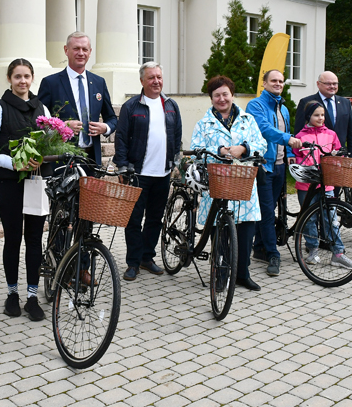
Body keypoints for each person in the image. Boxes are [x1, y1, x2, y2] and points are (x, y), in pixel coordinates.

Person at [0, 58, 49, 320]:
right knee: (12, 239)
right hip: (9, 185)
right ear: (9, 79)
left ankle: (32, 296)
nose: (22, 81)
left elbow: (49, 145)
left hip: (35, 183)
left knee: (34, 239)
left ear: (32, 79)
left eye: (27, 76)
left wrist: (45, 156)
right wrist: (14, 163)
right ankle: (12, 294)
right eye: (17, 76)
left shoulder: (42, 108)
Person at [190, 76, 267, 290]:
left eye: (225, 94)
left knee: (246, 232)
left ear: (232, 94)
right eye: (217, 95)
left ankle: (242, 274)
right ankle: (220, 275)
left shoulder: (247, 120)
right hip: (217, 184)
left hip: (243, 183)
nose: (221, 99)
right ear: (211, 98)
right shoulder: (204, 124)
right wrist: (218, 151)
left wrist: (244, 148)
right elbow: (195, 151)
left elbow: (262, 144)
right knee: (219, 232)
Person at [114, 62, 182, 281]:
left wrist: (175, 162)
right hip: (138, 173)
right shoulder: (131, 106)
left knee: (155, 219)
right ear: (142, 81)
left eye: (159, 77)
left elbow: (177, 136)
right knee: (134, 220)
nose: (156, 81)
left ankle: (147, 257)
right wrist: (123, 166)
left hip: (162, 174)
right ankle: (133, 263)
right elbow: (121, 137)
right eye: (151, 77)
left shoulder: (171, 105)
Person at [246, 70, 302, 277]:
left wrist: (288, 152)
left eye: (281, 81)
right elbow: (263, 129)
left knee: (271, 208)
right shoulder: (256, 105)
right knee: (268, 212)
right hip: (264, 165)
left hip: (279, 166)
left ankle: (260, 248)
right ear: (265, 83)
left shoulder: (284, 109)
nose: (278, 84)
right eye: (274, 81)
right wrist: (288, 139)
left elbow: (286, 130)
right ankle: (272, 254)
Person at [37, 32, 117, 165]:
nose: (81, 53)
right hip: (61, 159)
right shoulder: (50, 83)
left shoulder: (99, 82)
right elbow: (40, 122)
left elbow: (112, 118)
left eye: (85, 49)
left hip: (91, 159)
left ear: (90, 52)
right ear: (66, 50)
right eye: (76, 49)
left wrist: (105, 127)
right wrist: (63, 126)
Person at [293, 101, 352, 269]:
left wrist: (338, 159)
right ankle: (312, 251)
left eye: (322, 115)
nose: (320, 118)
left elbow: (339, 153)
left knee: (331, 219)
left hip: (327, 184)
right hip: (306, 185)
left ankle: (338, 253)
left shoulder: (331, 134)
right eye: (316, 115)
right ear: (308, 117)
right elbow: (296, 157)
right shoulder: (299, 136)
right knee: (309, 219)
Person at [295, 71, 352, 158]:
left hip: (340, 157)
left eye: (335, 83)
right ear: (318, 84)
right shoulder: (306, 102)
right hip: (314, 158)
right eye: (328, 83)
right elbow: (299, 130)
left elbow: (351, 132)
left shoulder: (345, 102)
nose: (332, 86)